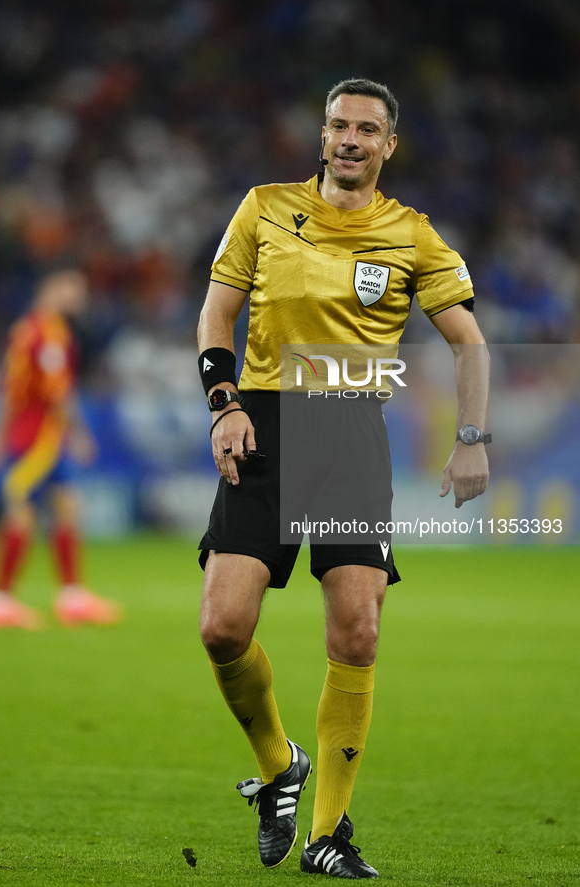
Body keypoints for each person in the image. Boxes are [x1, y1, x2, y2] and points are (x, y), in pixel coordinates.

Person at [196, 78, 490, 879]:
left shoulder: (412, 236)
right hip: (266, 422)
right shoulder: (263, 207)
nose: (349, 138)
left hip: (352, 429)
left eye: (366, 128)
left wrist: (470, 437)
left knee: (356, 630)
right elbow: (216, 313)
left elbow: (468, 342)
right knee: (222, 626)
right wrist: (223, 404)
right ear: (321, 135)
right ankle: (277, 764)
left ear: (389, 144)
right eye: (337, 125)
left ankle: (328, 832)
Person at [0, 267, 122, 629]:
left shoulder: (27, 328)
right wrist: (78, 433)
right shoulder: (48, 333)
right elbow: (57, 391)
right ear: (53, 287)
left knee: (66, 507)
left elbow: (10, 388)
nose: (79, 296)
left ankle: (72, 597)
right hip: (39, 439)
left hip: (33, 434)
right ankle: (0, 600)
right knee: (23, 512)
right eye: (74, 288)